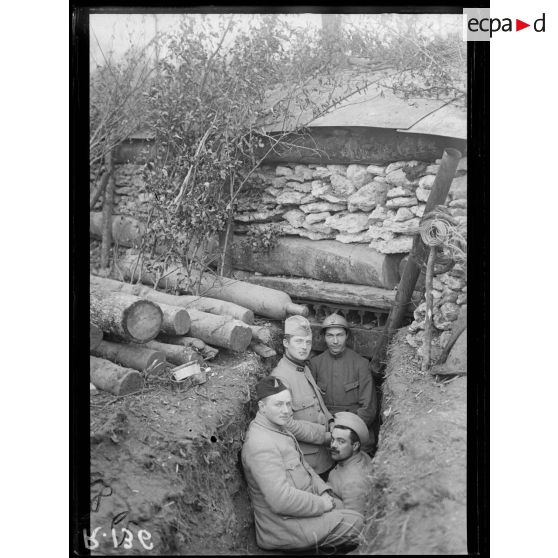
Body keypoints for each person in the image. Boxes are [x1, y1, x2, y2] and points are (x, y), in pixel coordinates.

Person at [241, 377, 364, 553]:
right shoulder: (260, 444)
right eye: (278, 405)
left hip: (299, 511)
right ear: (262, 407)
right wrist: (321, 505)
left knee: (344, 507)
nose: (286, 411)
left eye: (288, 404)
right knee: (358, 524)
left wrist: (324, 492)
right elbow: (280, 501)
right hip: (283, 527)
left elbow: (305, 468)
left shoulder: (277, 427)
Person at [270, 315, 335, 477]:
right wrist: (324, 436)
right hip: (306, 463)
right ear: (286, 343)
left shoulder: (303, 367)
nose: (304, 347)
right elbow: (286, 424)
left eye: (308, 342)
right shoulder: (280, 377)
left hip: (324, 457)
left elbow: (318, 401)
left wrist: (331, 421)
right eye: (298, 341)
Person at [309, 313, 377, 452]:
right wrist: (328, 427)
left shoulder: (361, 364)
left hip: (354, 427)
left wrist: (347, 430)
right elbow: (311, 404)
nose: (335, 341)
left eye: (339, 335)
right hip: (325, 427)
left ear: (347, 336)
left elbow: (368, 408)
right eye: (330, 336)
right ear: (323, 337)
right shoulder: (315, 364)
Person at [328, 412, 374, 516]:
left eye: (341, 441)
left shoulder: (354, 484)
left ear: (355, 446)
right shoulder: (357, 456)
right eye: (332, 439)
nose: (333, 445)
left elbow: (354, 521)